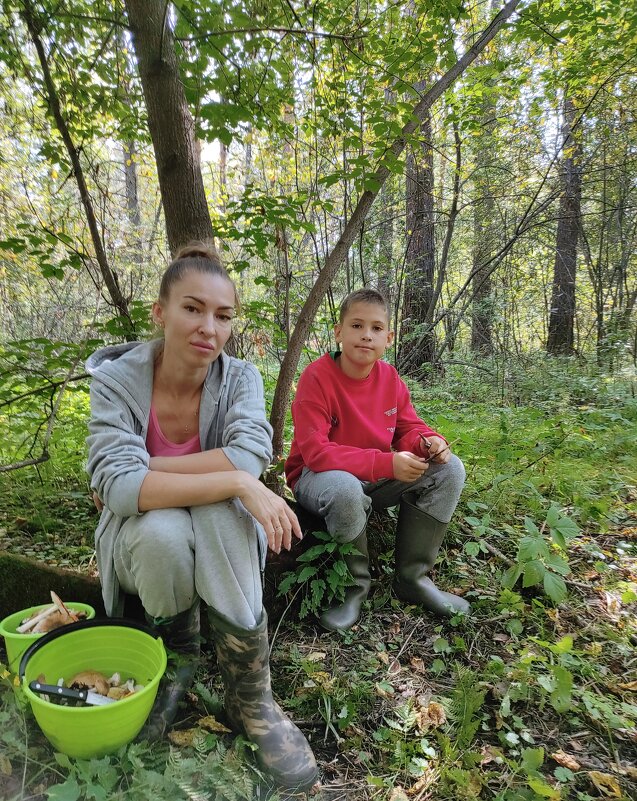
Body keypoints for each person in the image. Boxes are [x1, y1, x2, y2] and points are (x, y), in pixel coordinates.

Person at [85, 242, 317, 792]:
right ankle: (178, 662)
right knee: (165, 529)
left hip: (215, 530)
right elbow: (119, 488)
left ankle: (250, 696)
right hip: (142, 538)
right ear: (160, 313)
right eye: (192, 308)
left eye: (223, 315)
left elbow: (248, 452)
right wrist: (235, 482)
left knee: (216, 513)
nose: (208, 327)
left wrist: (152, 475)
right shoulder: (117, 382)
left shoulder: (240, 380)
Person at [285, 287, 470, 632]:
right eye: (356, 325)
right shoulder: (317, 378)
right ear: (339, 332)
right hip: (317, 476)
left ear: (389, 337)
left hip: (373, 477)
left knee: (450, 469)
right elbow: (316, 452)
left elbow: (408, 426)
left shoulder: (390, 378)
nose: (366, 335)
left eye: (375, 328)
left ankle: (413, 578)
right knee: (345, 489)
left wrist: (429, 442)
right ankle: (353, 587)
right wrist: (387, 464)